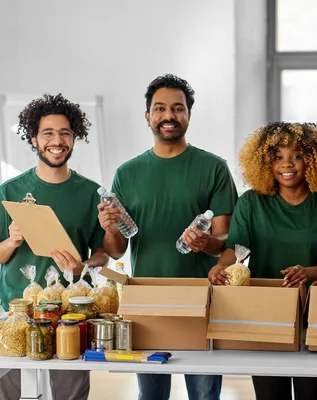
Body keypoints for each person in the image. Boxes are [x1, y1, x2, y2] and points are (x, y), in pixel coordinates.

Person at [99, 74, 238, 400]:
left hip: (202, 300)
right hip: (146, 301)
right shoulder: (128, 173)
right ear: (148, 116)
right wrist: (108, 227)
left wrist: (206, 243)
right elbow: (118, 248)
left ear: (188, 114)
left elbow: (225, 241)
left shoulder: (213, 168)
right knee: (151, 395)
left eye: (178, 108)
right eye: (159, 108)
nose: (168, 116)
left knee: (204, 395)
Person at [208, 121, 317, 400]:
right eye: (278, 157)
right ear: (265, 162)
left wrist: (308, 273)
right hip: (265, 315)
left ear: (313, 159)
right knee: (270, 395)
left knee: (314, 395)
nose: (288, 164)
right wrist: (219, 268)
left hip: (314, 316)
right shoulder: (251, 203)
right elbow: (236, 248)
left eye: (297, 155)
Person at [0, 93, 109, 400]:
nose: (57, 140)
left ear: (75, 138)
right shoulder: (10, 191)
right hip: (16, 313)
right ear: (34, 138)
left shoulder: (92, 193)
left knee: (71, 395)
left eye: (65, 133)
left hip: (71, 312)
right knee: (12, 395)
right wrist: (11, 241)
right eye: (48, 133)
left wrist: (83, 267)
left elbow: (103, 254)